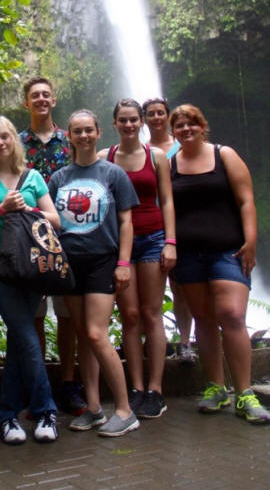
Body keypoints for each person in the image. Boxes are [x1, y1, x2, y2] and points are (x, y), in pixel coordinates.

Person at [169, 104, 270, 424]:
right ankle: (216, 387)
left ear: (202, 126)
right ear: (173, 132)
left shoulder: (224, 154)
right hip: (189, 254)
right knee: (203, 319)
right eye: (179, 125)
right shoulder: (170, 164)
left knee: (232, 315)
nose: (186, 129)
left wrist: (250, 241)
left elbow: (246, 200)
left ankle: (245, 392)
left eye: (191, 123)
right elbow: (167, 207)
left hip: (228, 250)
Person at [0, 116, 60, 444]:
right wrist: (1, 210)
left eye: (5, 136)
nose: (0, 143)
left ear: (14, 140)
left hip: (31, 265)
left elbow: (56, 220)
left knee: (19, 339)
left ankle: (8, 415)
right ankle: (46, 409)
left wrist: (29, 211)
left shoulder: (32, 177)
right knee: (26, 334)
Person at [48, 109, 140, 437]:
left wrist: (124, 263)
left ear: (99, 132)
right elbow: (51, 221)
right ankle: (94, 407)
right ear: (69, 136)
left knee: (96, 333)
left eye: (89, 130)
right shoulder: (59, 178)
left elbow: (127, 222)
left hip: (103, 260)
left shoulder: (114, 174)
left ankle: (125, 410)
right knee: (83, 336)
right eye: (77, 131)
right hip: (70, 262)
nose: (84, 136)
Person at [100, 99, 176, 419]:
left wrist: (170, 242)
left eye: (134, 119)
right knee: (130, 315)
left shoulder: (156, 157)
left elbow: (167, 201)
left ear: (141, 121)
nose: (129, 125)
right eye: (123, 120)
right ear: (115, 123)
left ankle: (155, 390)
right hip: (121, 244)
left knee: (151, 313)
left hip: (153, 238)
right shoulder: (105, 157)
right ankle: (136, 387)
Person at [19, 77, 84, 415]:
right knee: (34, 314)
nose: (41, 99)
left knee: (67, 313)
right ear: (26, 103)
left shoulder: (69, 140)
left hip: (68, 234)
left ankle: (69, 383)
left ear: (54, 100)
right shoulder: (17, 143)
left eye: (46, 94)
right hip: (27, 237)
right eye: (35, 95)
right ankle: (38, 384)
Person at [143, 97, 196, 366]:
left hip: (180, 222)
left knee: (180, 286)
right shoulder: (140, 150)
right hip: (149, 225)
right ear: (144, 118)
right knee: (149, 291)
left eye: (160, 113)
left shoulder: (183, 145)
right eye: (150, 113)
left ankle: (185, 342)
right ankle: (154, 341)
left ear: (167, 116)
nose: (156, 118)